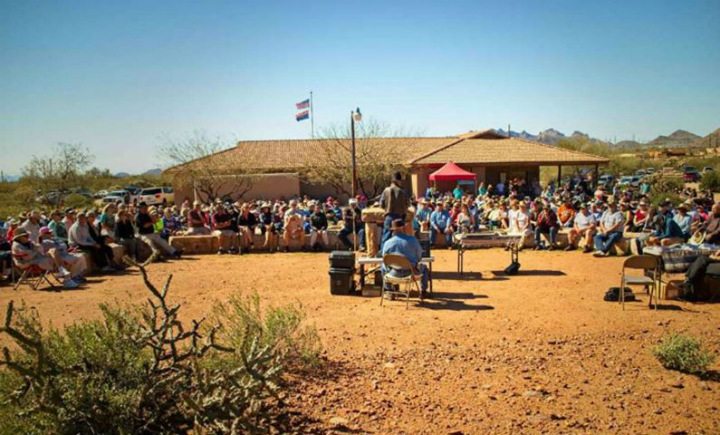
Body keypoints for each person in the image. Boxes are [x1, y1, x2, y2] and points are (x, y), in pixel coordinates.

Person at [12, 228, 79, 289]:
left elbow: (38, 248)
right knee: (55, 256)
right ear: (20, 238)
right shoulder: (16, 245)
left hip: (36, 259)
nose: (28, 237)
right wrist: (37, 250)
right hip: (26, 262)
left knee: (54, 251)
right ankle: (65, 276)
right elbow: (28, 256)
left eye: (27, 235)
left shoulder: (28, 243)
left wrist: (38, 247)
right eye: (26, 236)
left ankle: (63, 273)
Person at [381, 218, 429, 299]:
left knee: (382, 267)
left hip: (394, 273)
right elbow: (419, 257)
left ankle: (389, 291)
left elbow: (385, 259)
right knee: (424, 268)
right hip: (411, 273)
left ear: (393, 230)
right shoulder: (413, 240)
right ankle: (423, 292)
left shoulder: (387, 243)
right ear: (403, 228)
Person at [379, 171, 410, 250]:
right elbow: (407, 204)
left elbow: (381, 204)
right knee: (400, 236)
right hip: (399, 217)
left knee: (386, 235)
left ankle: (384, 253)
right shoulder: (402, 191)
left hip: (389, 216)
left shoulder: (386, 190)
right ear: (398, 180)